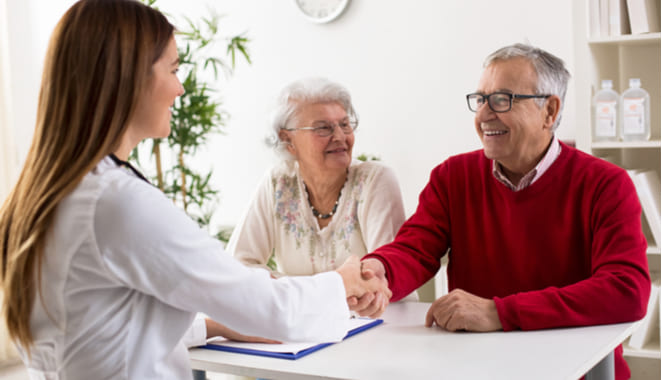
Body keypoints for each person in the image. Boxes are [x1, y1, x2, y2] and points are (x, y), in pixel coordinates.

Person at [0, 1, 388, 379]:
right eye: (172, 69)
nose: (180, 88)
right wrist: (342, 281)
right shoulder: (118, 203)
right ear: (130, 78)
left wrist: (215, 326)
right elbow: (267, 304)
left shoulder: (54, 193)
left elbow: (107, 326)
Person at [357, 43, 650, 379]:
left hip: (576, 372)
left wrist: (499, 313)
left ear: (549, 111)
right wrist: (381, 269)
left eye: (502, 100)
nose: (483, 115)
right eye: (480, 99)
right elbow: (414, 248)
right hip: (480, 369)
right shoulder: (452, 176)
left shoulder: (606, 184)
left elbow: (626, 290)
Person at [229, 77, 415, 303]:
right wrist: (322, 291)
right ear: (288, 140)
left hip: (382, 326)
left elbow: (379, 280)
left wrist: (290, 292)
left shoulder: (374, 180)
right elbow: (238, 266)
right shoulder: (278, 183)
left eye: (345, 124)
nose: (340, 137)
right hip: (305, 330)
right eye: (323, 128)